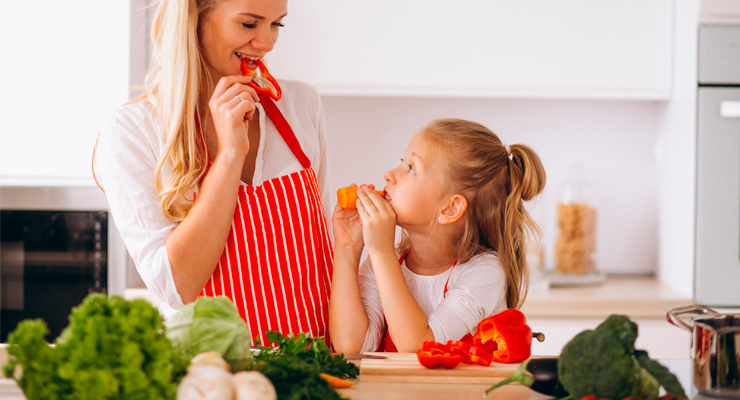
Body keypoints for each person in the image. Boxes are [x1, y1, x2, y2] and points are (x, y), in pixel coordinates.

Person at [93, 0, 333, 347]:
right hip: (208, 377)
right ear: (195, 19)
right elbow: (178, 286)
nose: (267, 43)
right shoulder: (136, 129)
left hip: (314, 371)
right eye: (249, 24)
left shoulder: (300, 104)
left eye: (276, 25)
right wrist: (230, 155)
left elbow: (323, 252)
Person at [329, 119, 546, 353]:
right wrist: (347, 249)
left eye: (411, 168)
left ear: (450, 209)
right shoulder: (385, 261)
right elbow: (350, 346)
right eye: (402, 162)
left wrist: (381, 252)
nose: (388, 175)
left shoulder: (484, 272)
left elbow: (418, 347)